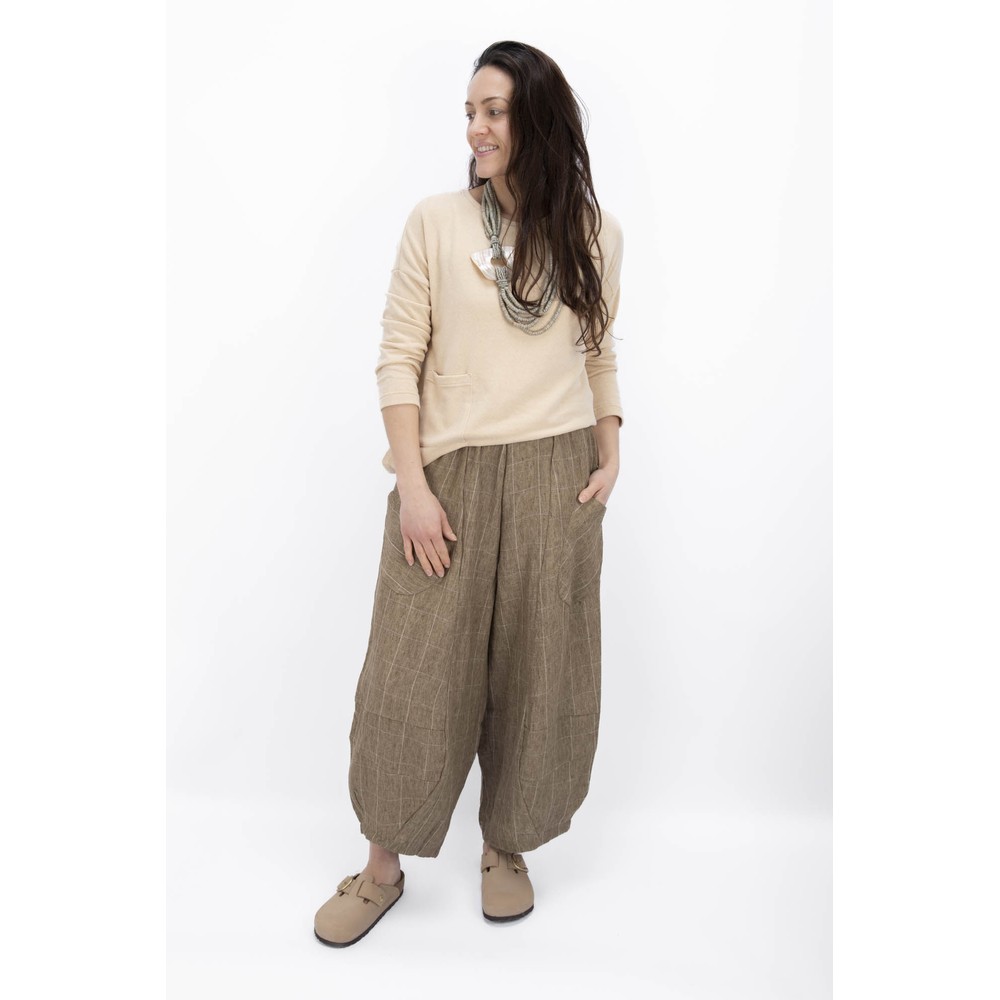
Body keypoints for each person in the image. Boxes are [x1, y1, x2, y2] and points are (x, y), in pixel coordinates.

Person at [314, 39, 625, 947]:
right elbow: (397, 358)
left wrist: (610, 453)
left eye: (493, 111)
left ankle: (506, 847)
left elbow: (599, 351)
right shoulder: (437, 222)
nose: (476, 129)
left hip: (558, 472)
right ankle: (381, 867)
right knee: (411, 674)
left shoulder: (594, 234)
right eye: (469, 113)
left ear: (537, 119)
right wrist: (413, 486)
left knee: (541, 669)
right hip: (447, 476)